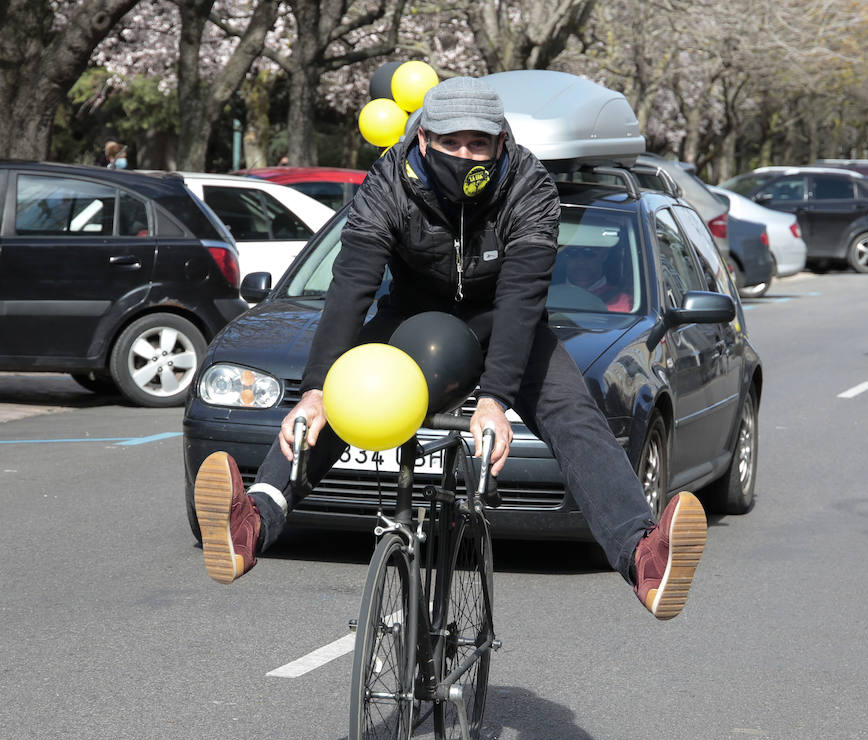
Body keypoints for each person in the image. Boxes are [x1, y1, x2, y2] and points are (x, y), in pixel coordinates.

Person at [192, 76, 706, 621]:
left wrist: (495, 399)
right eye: (451, 143)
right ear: (422, 141)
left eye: (479, 144)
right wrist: (317, 388)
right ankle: (253, 524)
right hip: (410, 317)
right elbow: (350, 288)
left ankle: (644, 557)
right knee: (345, 391)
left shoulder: (530, 187)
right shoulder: (388, 181)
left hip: (503, 324)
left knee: (572, 411)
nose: (465, 155)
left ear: (500, 143)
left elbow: (521, 298)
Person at [562, 244, 632, 312]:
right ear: (564, 257)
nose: (581, 262)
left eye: (589, 253)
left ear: (604, 255)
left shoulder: (627, 304)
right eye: (572, 253)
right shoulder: (552, 298)